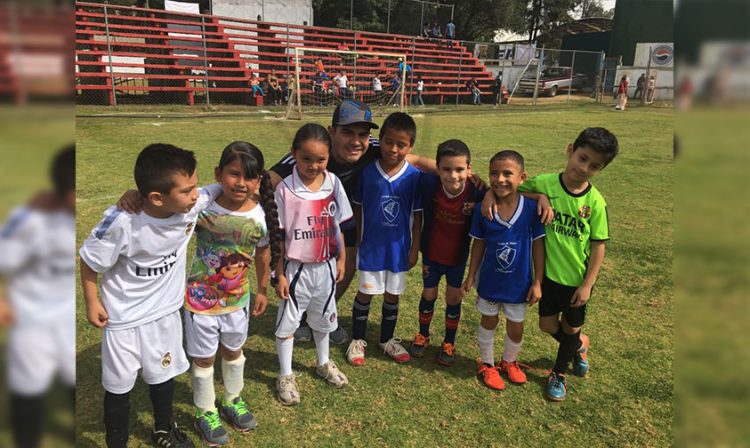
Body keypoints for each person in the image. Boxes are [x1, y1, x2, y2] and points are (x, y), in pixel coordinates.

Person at [80, 144, 223, 447]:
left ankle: (163, 430)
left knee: (164, 374)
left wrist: (248, 180)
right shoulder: (123, 221)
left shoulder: (190, 205)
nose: (195, 195)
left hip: (165, 314)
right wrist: (92, 301)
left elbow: (224, 186)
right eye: (187, 190)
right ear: (156, 197)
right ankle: (115, 442)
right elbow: (90, 259)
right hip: (123, 320)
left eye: (195, 186)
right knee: (118, 386)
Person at [268, 100, 437, 345]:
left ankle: (325, 314)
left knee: (348, 259)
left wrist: (467, 176)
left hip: (342, 221)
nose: (356, 141)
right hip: (305, 225)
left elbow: (416, 160)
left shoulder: (375, 148)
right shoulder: (312, 154)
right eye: (347, 132)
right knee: (304, 271)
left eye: (363, 134)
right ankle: (299, 317)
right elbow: (267, 180)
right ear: (331, 131)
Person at [184, 142, 280, 445]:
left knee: (234, 354)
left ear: (259, 180)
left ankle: (231, 398)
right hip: (200, 301)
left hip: (237, 300)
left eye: (250, 177)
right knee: (203, 360)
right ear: (219, 174)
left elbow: (263, 254)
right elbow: (166, 206)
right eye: (234, 174)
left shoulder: (261, 215)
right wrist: (133, 196)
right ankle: (204, 411)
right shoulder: (202, 207)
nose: (241, 183)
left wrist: (263, 289)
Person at [516, 127, 619, 401]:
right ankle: (578, 346)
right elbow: (511, 193)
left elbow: (598, 245)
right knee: (548, 327)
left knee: (571, 327)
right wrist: (539, 197)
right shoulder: (546, 183)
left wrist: (588, 284)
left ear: (601, 169)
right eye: (582, 158)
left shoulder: (595, 203)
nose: (584, 168)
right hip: (548, 276)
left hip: (576, 281)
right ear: (570, 150)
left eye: (594, 166)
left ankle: (558, 374)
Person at [0, 145, 76, 448]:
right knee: (28, 387)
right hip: (30, 316)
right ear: (63, 190)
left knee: (73, 379)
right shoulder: (31, 219)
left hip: (66, 314)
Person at [274, 124, 353, 405]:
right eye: (306, 158)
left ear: (329, 157)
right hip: (297, 269)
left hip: (327, 266)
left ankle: (323, 362)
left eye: (320, 159)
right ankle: (285, 373)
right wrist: (279, 273)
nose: (313, 165)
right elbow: (279, 235)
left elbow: (339, 225)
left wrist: (342, 258)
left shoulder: (334, 183)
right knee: (288, 323)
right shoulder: (285, 189)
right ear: (294, 154)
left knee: (324, 318)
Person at [462, 150, 546, 391]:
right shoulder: (483, 209)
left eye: (507, 173)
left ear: (522, 177)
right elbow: (478, 243)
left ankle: (509, 361)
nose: (500, 179)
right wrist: (471, 275)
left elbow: (539, 246)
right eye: (494, 174)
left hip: (519, 284)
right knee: (488, 320)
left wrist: (537, 281)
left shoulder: (531, 209)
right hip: (490, 281)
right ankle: (487, 363)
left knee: (516, 324)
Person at [346, 112, 422, 366]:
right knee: (365, 293)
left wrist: (414, 249)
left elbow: (418, 215)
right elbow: (356, 207)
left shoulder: (414, 177)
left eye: (401, 145)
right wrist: (357, 240)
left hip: (398, 249)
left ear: (410, 147)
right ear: (381, 140)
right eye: (388, 142)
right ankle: (357, 340)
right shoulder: (368, 173)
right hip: (371, 248)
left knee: (392, 294)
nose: (393, 149)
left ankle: (386, 339)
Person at [409, 140, 485, 365]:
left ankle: (449, 342)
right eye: (446, 169)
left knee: (453, 297)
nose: (454, 175)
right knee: (429, 294)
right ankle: (423, 335)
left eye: (460, 169)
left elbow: (506, 194)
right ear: (438, 168)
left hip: (457, 257)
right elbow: (410, 159)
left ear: (469, 169)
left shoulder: (478, 191)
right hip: (431, 254)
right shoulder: (429, 183)